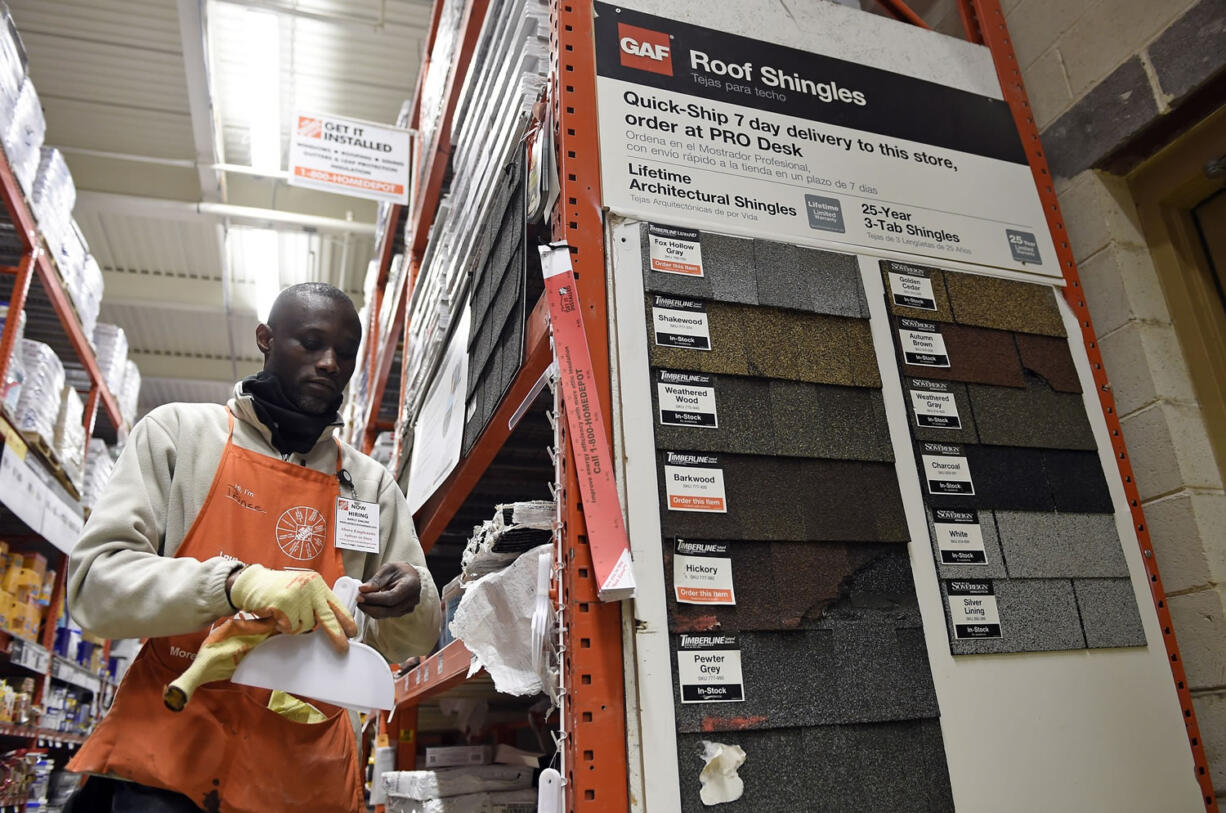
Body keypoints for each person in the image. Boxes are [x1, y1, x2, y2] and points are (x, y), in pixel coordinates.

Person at [63, 283, 442, 813]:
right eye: (310, 343)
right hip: (168, 754)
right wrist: (231, 584)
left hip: (302, 773)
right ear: (265, 339)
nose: (330, 363)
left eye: (345, 353)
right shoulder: (179, 435)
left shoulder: (371, 486)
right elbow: (94, 588)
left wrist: (413, 598)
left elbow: (407, 643)